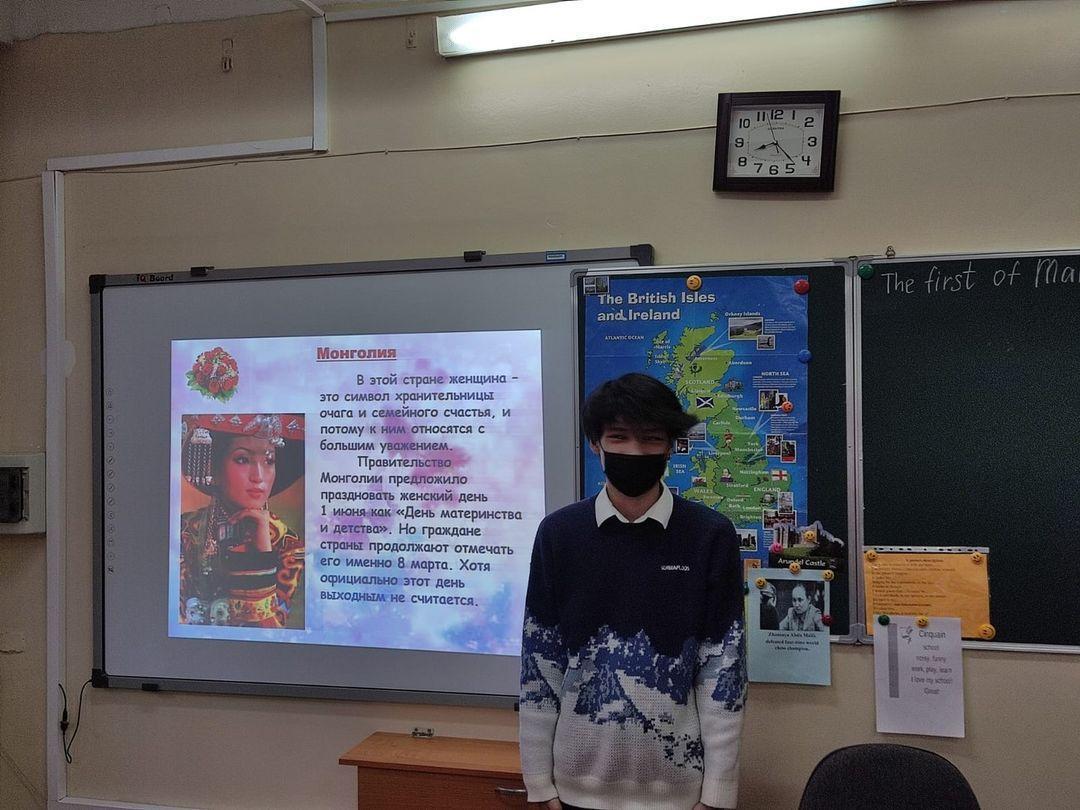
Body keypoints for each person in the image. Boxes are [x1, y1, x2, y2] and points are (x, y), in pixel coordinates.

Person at [520, 373, 746, 810]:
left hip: (680, 795)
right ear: (595, 444)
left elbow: (724, 669)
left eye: (651, 438)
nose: (635, 452)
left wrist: (719, 793)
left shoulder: (710, 535)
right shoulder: (559, 534)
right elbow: (539, 661)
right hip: (574, 790)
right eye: (619, 437)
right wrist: (538, 782)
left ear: (671, 446)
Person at [179, 413, 305, 628]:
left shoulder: (290, 546)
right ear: (214, 469)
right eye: (242, 459)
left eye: (269, 461)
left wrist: (262, 554)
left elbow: (271, 632)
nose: (258, 476)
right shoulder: (184, 533)